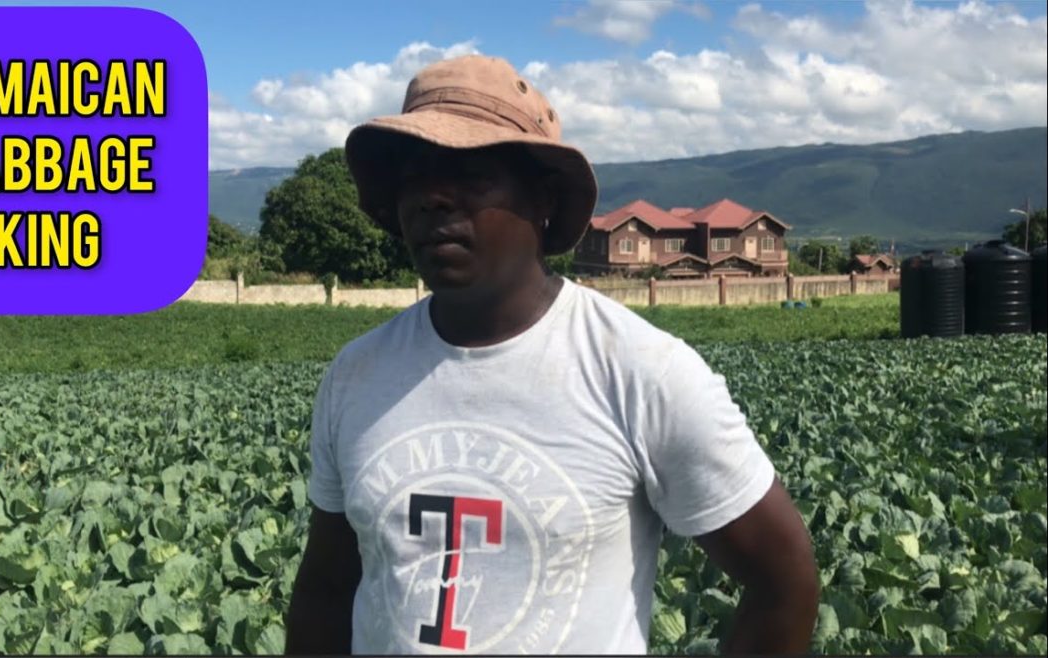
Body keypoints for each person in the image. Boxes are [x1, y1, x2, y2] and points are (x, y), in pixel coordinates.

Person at [286, 54, 819, 655]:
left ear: (542, 199)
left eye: (470, 172)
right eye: (415, 174)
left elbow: (785, 583)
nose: (433, 196)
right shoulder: (356, 375)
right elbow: (327, 590)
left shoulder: (643, 372)